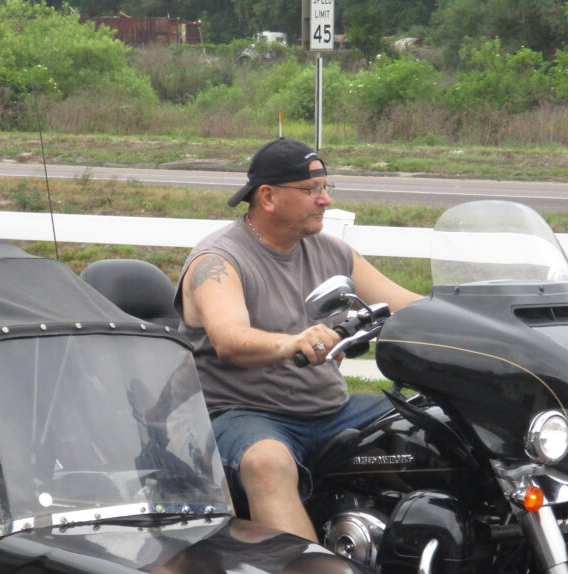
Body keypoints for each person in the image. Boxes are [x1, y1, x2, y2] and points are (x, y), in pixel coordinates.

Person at [173, 138, 420, 541]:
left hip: (331, 410)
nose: (324, 200)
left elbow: (407, 305)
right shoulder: (218, 260)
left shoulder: (331, 252)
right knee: (268, 462)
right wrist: (291, 343)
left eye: (325, 188)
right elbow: (229, 339)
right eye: (311, 191)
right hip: (243, 413)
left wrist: (475, 313)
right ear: (267, 197)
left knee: (433, 426)